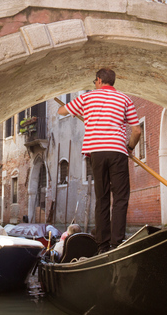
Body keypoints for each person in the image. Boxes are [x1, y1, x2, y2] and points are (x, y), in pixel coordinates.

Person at [58, 68, 141, 253]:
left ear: (100, 80)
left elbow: (61, 110)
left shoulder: (87, 98)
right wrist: (130, 148)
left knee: (102, 198)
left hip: (96, 153)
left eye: (95, 81)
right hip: (118, 151)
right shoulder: (125, 99)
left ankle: (103, 245)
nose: (94, 84)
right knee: (120, 198)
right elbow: (137, 131)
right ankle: (116, 243)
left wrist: (75, 111)